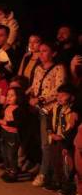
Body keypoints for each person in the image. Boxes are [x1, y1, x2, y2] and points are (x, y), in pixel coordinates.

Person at [27, 42, 66, 187]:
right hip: (35, 107)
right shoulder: (38, 68)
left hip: (48, 109)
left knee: (46, 143)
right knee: (36, 140)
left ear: (53, 53)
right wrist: (29, 96)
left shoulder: (59, 69)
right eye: (40, 51)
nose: (41, 54)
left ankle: (44, 174)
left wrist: (41, 99)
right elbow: (35, 86)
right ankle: (38, 165)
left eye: (45, 51)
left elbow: (58, 90)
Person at [45, 84, 79, 194]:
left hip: (66, 141)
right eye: (58, 95)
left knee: (68, 164)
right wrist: (50, 131)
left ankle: (68, 185)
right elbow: (49, 120)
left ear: (72, 97)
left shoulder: (72, 111)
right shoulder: (55, 107)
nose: (59, 98)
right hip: (54, 138)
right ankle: (57, 181)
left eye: (63, 95)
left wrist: (63, 137)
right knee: (55, 161)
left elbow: (72, 128)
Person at [0, 87, 27, 182]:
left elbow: (18, 123)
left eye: (12, 95)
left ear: (18, 97)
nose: (9, 97)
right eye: (8, 95)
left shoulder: (18, 109)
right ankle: (8, 170)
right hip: (4, 132)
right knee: (4, 152)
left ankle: (13, 173)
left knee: (11, 154)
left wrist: (5, 123)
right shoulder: (8, 106)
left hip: (12, 135)